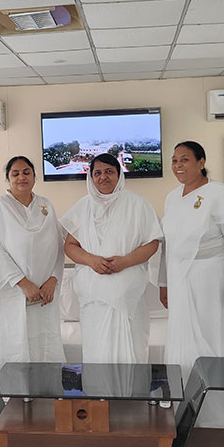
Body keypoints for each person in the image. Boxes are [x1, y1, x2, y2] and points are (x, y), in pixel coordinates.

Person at [159, 141, 224, 427]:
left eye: (184, 159)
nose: (178, 166)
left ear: (201, 162)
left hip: (213, 283)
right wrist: (164, 283)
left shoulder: (220, 194)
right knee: (184, 348)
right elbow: (168, 245)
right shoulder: (173, 197)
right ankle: (188, 421)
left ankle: (223, 423)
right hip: (180, 283)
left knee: (215, 346)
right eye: (174, 161)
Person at [61, 153, 162, 363]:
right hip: (93, 300)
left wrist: (124, 262)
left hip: (128, 299)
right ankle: (99, 397)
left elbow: (152, 243)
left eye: (109, 172)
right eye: (97, 173)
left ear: (119, 175)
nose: (103, 177)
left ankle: (132, 396)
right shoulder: (82, 207)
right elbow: (69, 246)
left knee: (132, 356)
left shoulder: (138, 205)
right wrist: (91, 260)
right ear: (90, 177)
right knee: (97, 357)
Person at [0, 156, 65, 369]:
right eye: (15, 173)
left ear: (35, 177)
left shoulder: (45, 205)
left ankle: (47, 397)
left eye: (26, 172)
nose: (21, 177)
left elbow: (58, 245)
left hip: (45, 295)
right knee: (16, 347)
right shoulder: (0, 206)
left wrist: (53, 279)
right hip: (14, 293)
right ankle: (17, 400)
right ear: (8, 179)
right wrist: (23, 283)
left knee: (45, 346)